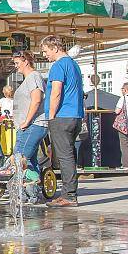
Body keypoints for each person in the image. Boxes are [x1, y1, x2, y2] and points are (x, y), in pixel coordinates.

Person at [42, 35, 84, 207]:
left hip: (62, 116)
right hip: (75, 115)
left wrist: (51, 115)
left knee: (65, 157)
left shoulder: (58, 65)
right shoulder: (74, 64)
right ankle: (68, 193)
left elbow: (56, 91)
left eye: (45, 51)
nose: (45, 55)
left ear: (55, 48)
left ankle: (69, 195)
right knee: (69, 155)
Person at [11, 51, 48, 175]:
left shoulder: (33, 76)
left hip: (32, 124)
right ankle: (32, 191)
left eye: (17, 63)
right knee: (30, 160)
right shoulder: (29, 78)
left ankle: (27, 188)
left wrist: (26, 121)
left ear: (26, 62)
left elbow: (37, 99)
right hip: (28, 125)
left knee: (20, 158)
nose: (15, 66)